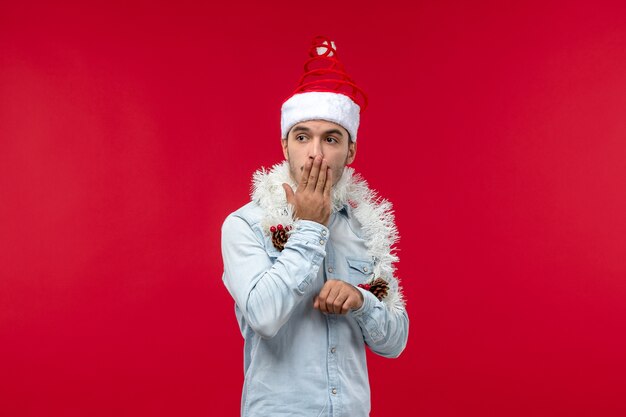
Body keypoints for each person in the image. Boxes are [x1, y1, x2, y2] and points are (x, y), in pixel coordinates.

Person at [221, 36, 409, 417]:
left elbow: (395, 341)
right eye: (302, 136)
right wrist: (310, 226)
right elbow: (265, 317)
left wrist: (361, 301)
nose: (316, 154)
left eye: (331, 139)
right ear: (284, 145)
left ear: (351, 150)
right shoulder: (245, 224)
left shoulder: (365, 227)